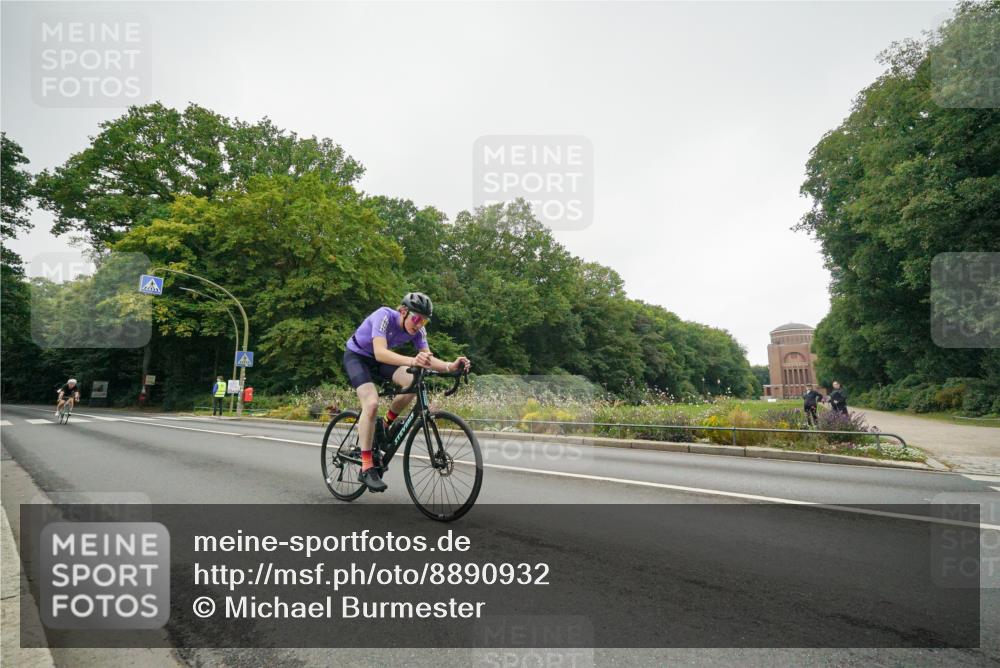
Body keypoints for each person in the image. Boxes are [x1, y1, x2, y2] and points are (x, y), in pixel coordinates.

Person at [343, 292, 471, 492]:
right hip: (358, 357)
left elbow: (427, 359)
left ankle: (385, 424)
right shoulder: (384, 316)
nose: (419, 325)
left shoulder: (418, 331)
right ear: (403, 311)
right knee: (372, 403)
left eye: (424, 321)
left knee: (413, 381)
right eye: (417, 319)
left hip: (380, 361)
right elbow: (380, 352)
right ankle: (366, 467)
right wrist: (413, 360)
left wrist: (450, 366)